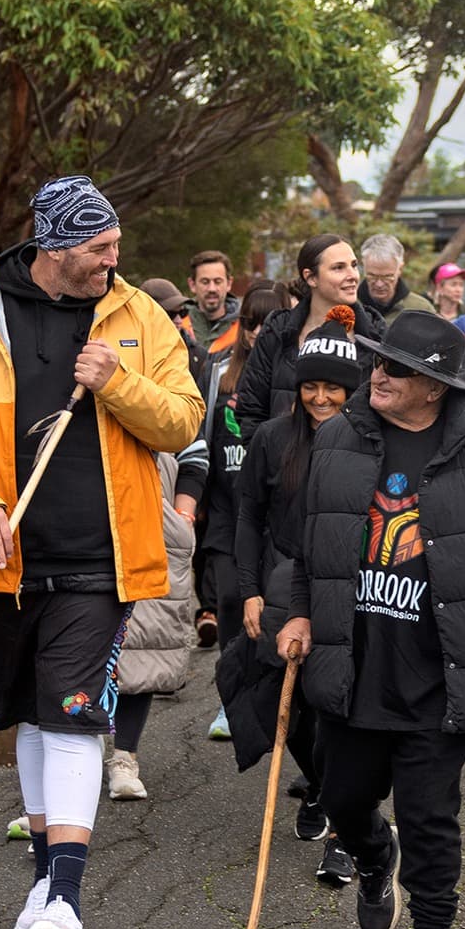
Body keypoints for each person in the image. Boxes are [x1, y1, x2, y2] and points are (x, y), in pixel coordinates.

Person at [0, 175, 204, 929]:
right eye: (99, 248)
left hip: (101, 558)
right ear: (55, 246)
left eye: (115, 247)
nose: (113, 261)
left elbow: (184, 417)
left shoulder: (135, 316)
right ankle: (42, 882)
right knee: (30, 714)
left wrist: (117, 381)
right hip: (1, 557)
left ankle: (65, 896)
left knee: (72, 710)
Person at [277, 311, 465, 929]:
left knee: (430, 808)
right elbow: (304, 548)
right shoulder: (338, 441)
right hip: (357, 661)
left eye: (396, 368)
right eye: (379, 363)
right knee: (344, 795)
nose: (378, 376)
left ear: (434, 386)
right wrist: (297, 611)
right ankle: (373, 856)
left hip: (441, 667)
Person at [227, 306, 365, 884]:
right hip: (281, 580)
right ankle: (323, 788)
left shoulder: (365, 443)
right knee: (281, 700)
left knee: (339, 703)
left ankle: (344, 825)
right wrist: (250, 591)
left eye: (332, 386)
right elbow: (248, 516)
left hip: (347, 588)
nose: (320, 396)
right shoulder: (270, 437)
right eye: (310, 384)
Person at [183, 284, 280, 742]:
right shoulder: (219, 370)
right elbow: (200, 433)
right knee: (228, 601)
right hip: (224, 508)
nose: (259, 332)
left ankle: (270, 697)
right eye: (252, 322)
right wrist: (196, 495)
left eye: (269, 321)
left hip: (273, 515)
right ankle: (230, 700)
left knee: (270, 608)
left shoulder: (288, 374)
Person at [106, 443, 201, 799]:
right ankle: (73, 757)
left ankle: (124, 756)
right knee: (76, 646)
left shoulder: (160, 383)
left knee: (146, 641)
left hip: (152, 515)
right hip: (82, 508)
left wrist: (182, 515)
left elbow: (194, 451)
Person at [235, 233, 377, 444]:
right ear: (311, 277)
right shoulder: (278, 330)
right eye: (338, 268)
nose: (353, 275)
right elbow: (251, 409)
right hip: (285, 468)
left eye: (354, 265)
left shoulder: (375, 333)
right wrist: (270, 463)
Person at [361, 234, 437, 324]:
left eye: (387, 276)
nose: (379, 284)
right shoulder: (347, 307)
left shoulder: (421, 310)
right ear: (363, 267)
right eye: (372, 276)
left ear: (400, 269)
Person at [187, 250, 240, 356]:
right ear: (192, 284)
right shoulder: (178, 323)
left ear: (229, 283)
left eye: (218, 281)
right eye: (205, 282)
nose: (212, 289)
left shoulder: (244, 326)